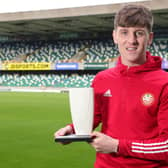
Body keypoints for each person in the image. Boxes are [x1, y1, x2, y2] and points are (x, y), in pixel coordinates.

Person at [54, 4, 168, 167]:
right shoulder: (102, 79)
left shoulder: (164, 83)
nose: (131, 40)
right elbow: (94, 117)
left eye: (139, 33)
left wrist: (117, 146)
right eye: (124, 32)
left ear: (149, 38)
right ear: (115, 36)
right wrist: (72, 130)